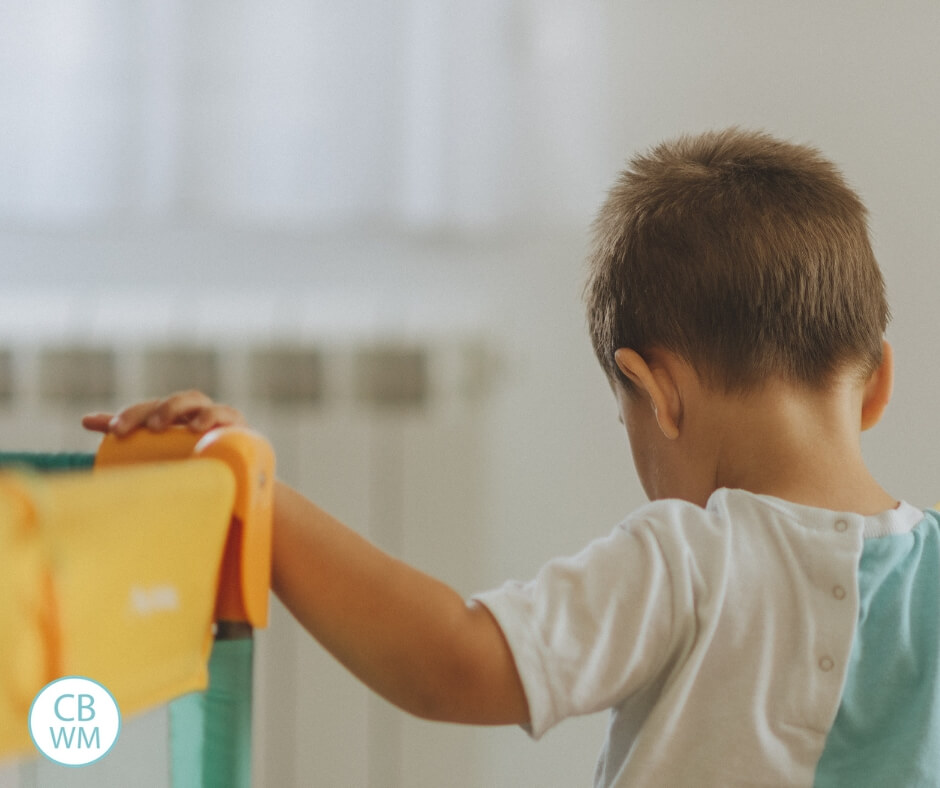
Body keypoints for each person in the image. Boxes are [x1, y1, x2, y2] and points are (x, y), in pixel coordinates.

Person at [83, 128, 940, 787]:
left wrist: (252, 487)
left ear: (658, 392)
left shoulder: (689, 561)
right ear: (878, 384)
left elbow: (451, 664)